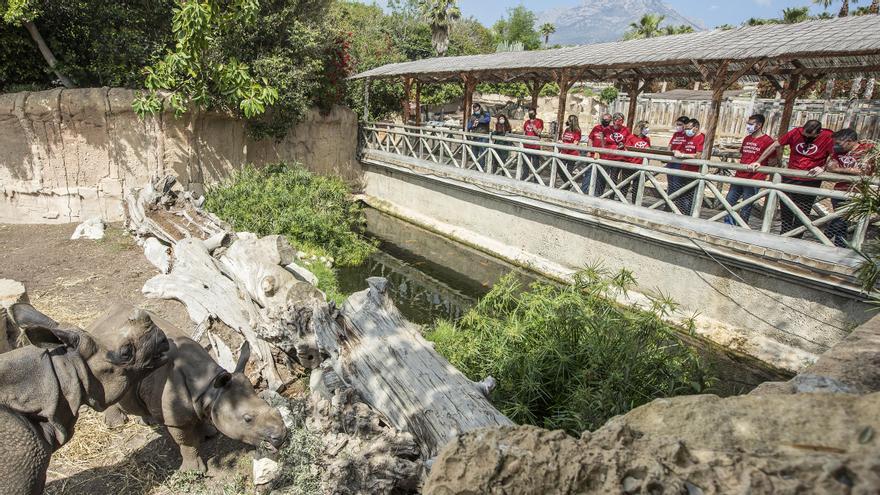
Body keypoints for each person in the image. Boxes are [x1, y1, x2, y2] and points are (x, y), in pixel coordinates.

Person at [752, 119, 834, 236]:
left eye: (810, 137)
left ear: (818, 133)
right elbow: (775, 145)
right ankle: (784, 233)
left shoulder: (827, 136)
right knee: (786, 209)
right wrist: (758, 161)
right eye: (805, 135)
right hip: (791, 176)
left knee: (802, 211)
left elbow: (833, 155)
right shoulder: (796, 132)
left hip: (810, 180)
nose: (806, 139)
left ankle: (797, 236)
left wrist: (823, 167)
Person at [824, 128, 876, 247]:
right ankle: (838, 245)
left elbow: (864, 171)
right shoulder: (839, 152)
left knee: (840, 219)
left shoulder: (866, 150)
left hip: (857, 191)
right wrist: (847, 170)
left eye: (838, 143)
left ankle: (826, 237)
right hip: (840, 190)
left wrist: (839, 170)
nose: (836, 146)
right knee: (840, 219)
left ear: (849, 141)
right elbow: (830, 166)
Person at [723, 114, 777, 227]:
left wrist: (762, 168)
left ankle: (741, 226)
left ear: (759, 125)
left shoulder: (767, 141)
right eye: (748, 124)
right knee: (729, 201)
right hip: (739, 175)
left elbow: (773, 161)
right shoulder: (747, 138)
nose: (748, 126)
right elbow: (743, 154)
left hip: (755, 178)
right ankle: (728, 225)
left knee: (746, 205)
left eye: (751, 124)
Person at [671, 118, 705, 215]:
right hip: (683, 169)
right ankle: (679, 212)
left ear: (696, 128)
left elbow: (698, 155)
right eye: (685, 128)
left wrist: (682, 155)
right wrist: (676, 151)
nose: (686, 131)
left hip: (694, 172)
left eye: (689, 128)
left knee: (691, 196)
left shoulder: (701, 138)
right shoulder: (686, 137)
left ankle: (689, 215)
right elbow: (680, 149)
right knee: (680, 194)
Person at [582, 113, 614, 194]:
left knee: (601, 177)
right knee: (588, 175)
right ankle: (584, 192)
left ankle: (598, 194)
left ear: (610, 120)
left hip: (604, 157)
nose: (604, 121)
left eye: (607, 120)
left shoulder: (611, 131)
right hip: (593, 155)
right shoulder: (596, 128)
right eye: (603, 119)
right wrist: (589, 151)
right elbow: (590, 139)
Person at [666, 115, 691, 203]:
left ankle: (676, 203)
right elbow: (670, 145)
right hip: (671, 161)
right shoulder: (676, 134)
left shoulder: (687, 135)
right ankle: (669, 202)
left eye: (680, 124)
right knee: (670, 184)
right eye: (677, 124)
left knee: (677, 184)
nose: (678, 126)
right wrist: (668, 153)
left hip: (680, 162)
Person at [560, 115, 582, 182]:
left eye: (569, 120)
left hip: (572, 153)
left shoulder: (577, 131)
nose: (568, 121)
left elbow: (575, 143)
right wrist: (561, 142)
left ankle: (567, 185)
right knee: (560, 168)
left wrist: (565, 144)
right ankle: (567, 183)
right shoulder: (567, 129)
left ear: (572, 121)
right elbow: (564, 139)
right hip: (564, 152)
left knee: (569, 171)